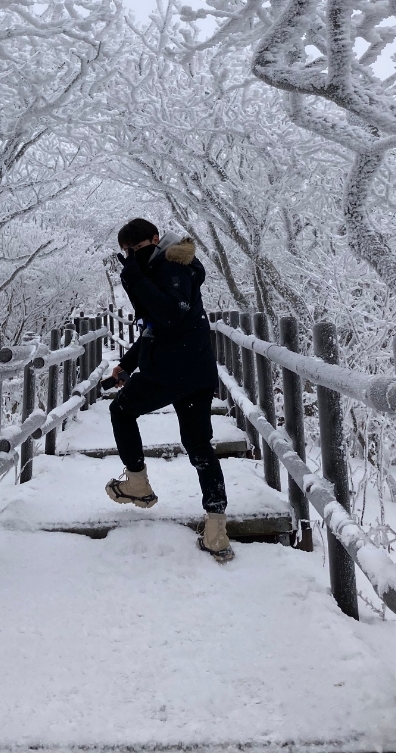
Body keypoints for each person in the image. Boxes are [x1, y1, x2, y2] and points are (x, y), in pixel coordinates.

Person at [104, 218, 233, 562]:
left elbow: (170, 313)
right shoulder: (165, 266)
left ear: (155, 239)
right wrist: (128, 364)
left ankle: (137, 485)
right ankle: (216, 527)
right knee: (199, 445)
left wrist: (134, 277)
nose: (132, 257)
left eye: (135, 249)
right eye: (126, 253)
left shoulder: (172, 266)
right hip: (193, 370)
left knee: (121, 410)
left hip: (171, 371)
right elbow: (156, 324)